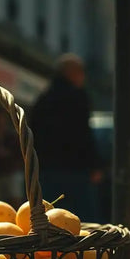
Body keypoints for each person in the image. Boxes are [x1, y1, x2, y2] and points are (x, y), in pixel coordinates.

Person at [28, 53, 105, 222]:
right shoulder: (78, 97)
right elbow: (83, 134)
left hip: (47, 171)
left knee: (49, 222)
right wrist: (95, 164)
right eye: (81, 72)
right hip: (75, 171)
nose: (83, 76)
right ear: (71, 73)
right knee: (82, 224)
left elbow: (32, 134)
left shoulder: (43, 98)